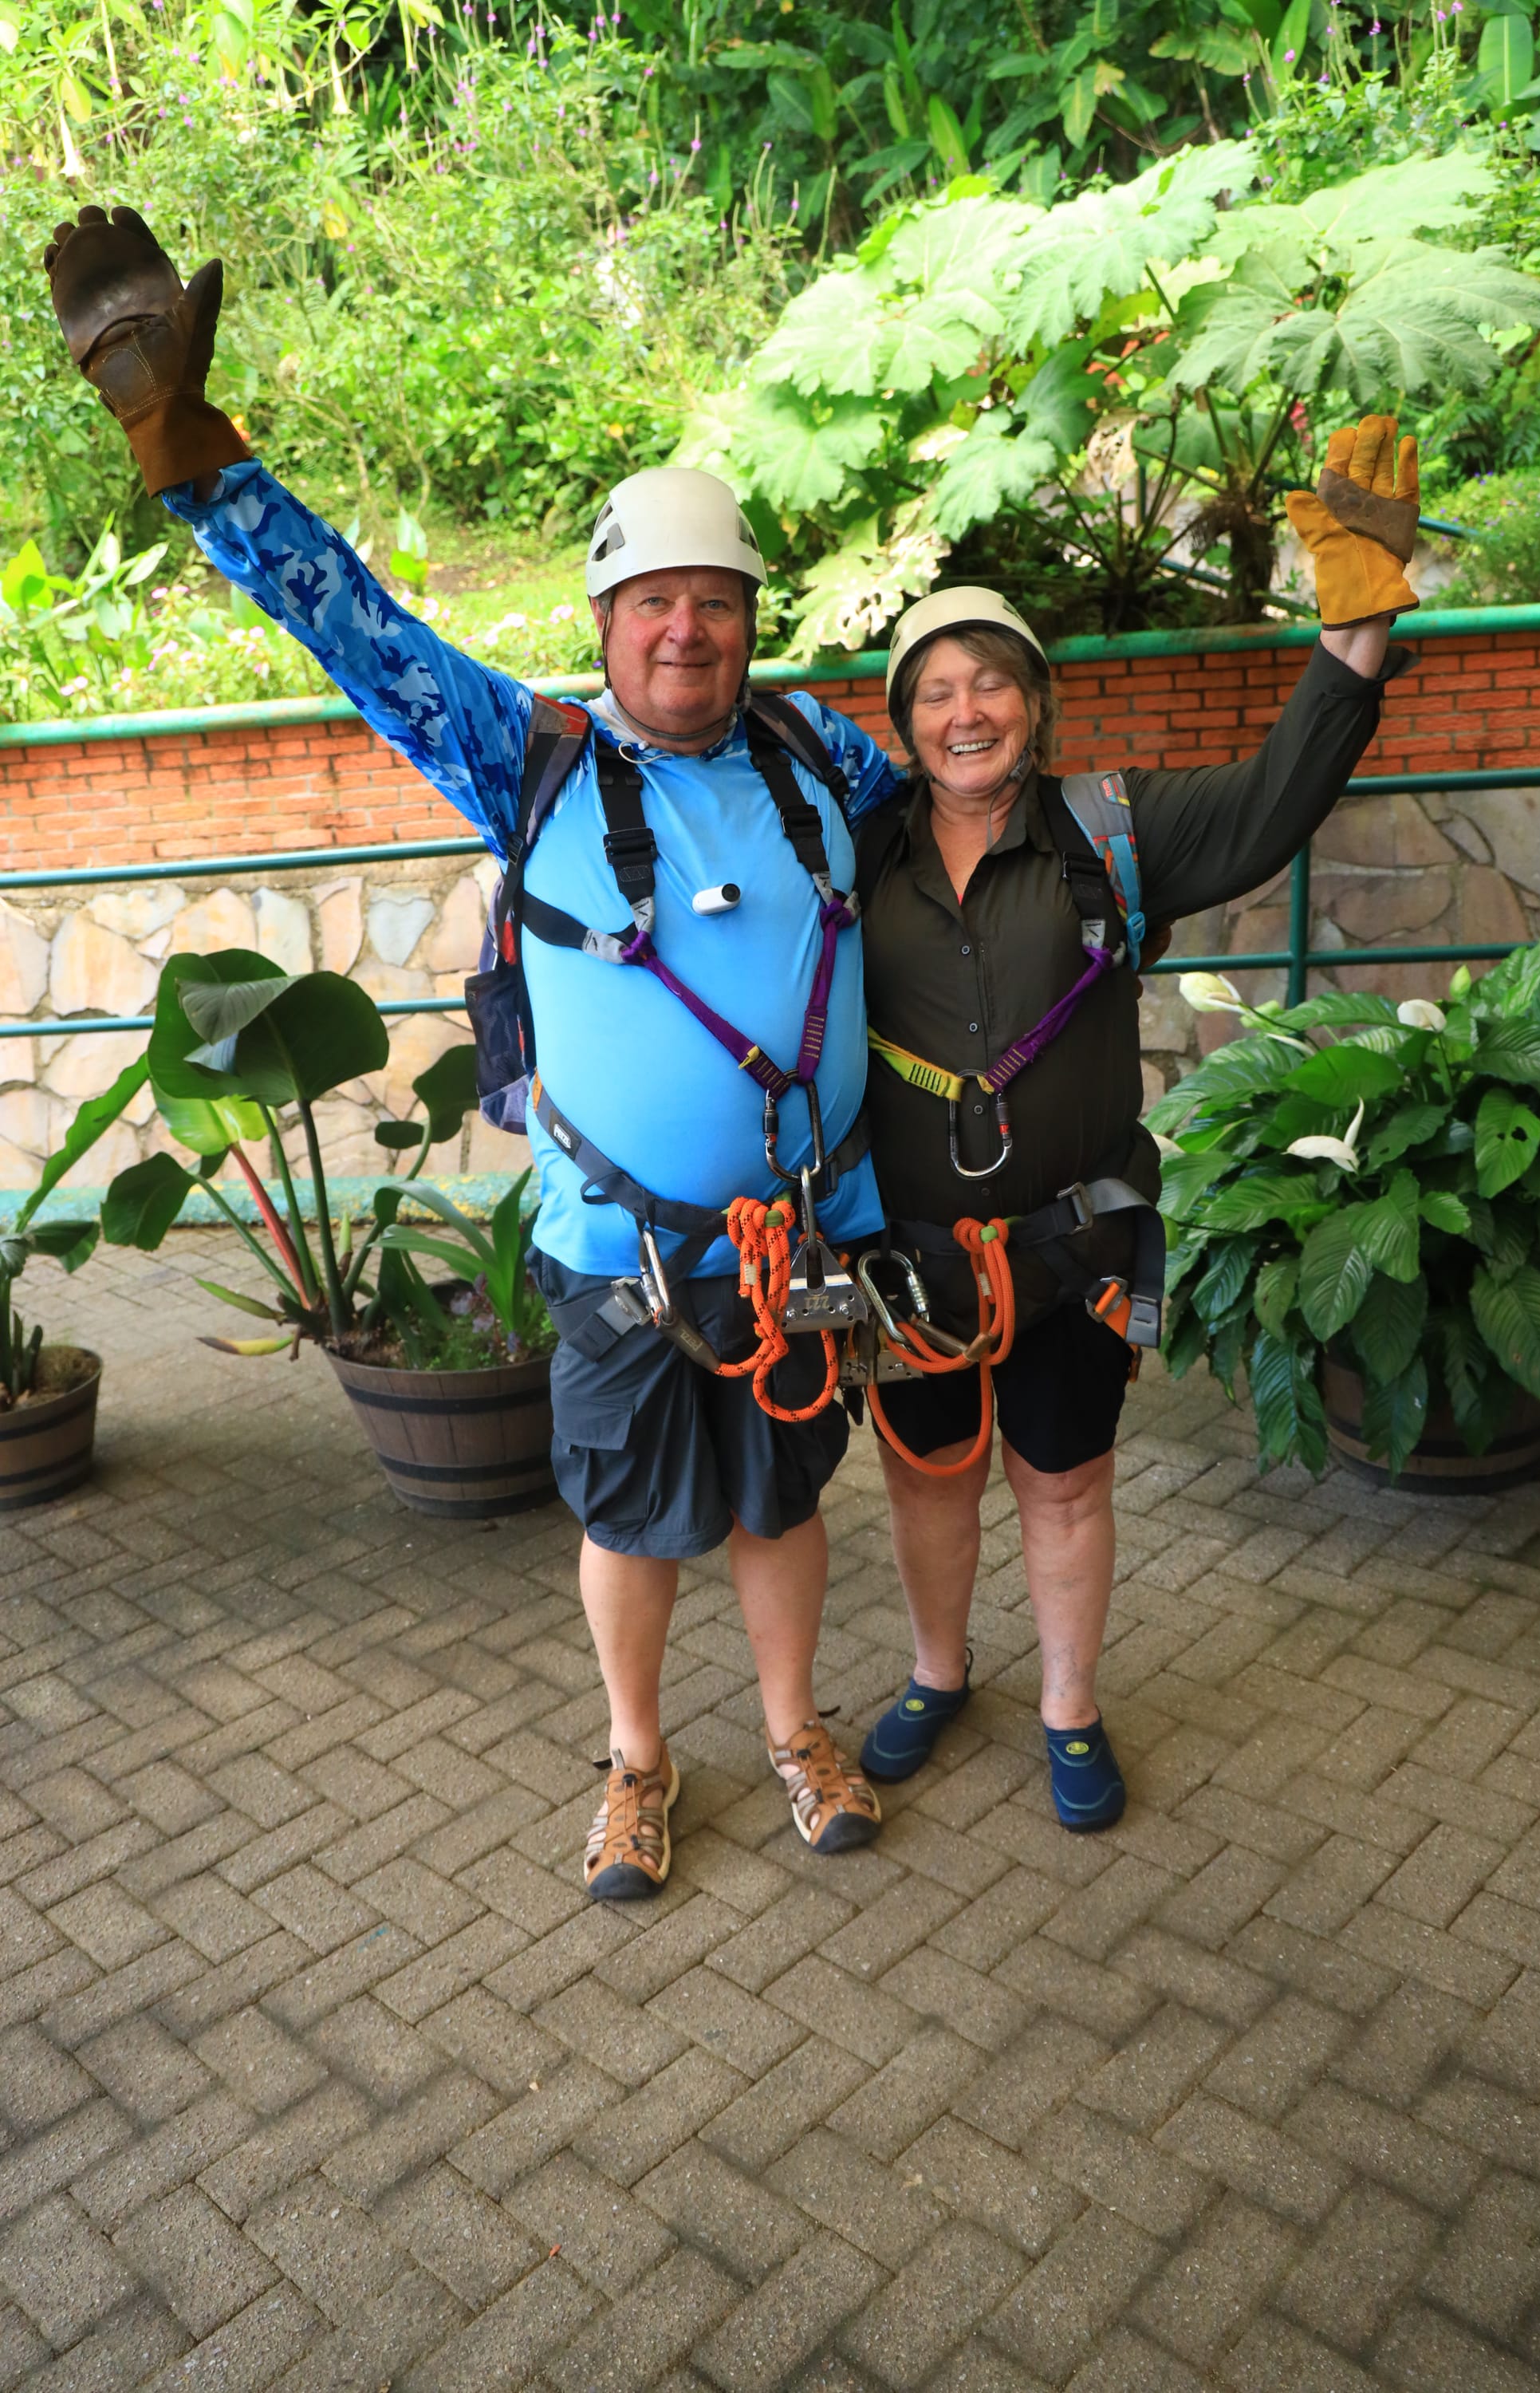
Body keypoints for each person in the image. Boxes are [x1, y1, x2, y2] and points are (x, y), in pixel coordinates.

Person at [40, 201, 898, 1898]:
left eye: (712, 604)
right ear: (602, 623)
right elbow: (353, 628)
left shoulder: (827, 764)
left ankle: (798, 1732)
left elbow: (974, 802)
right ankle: (640, 1760)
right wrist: (190, 451)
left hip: (809, 1235)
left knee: (782, 1499)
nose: (683, 634)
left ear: (749, 619)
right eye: (651, 605)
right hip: (617, 1251)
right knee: (631, 1515)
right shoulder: (528, 758)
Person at [853, 416, 1419, 1832]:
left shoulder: (1117, 834)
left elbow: (1278, 801)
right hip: (908, 1253)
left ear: (1034, 706)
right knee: (928, 1480)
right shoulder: (853, 857)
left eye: (990, 683)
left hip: (1079, 1245)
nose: (964, 710)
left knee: (1066, 1480)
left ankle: (1068, 1707)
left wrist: (1352, 628)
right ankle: (936, 1674)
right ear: (905, 722)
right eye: (934, 692)